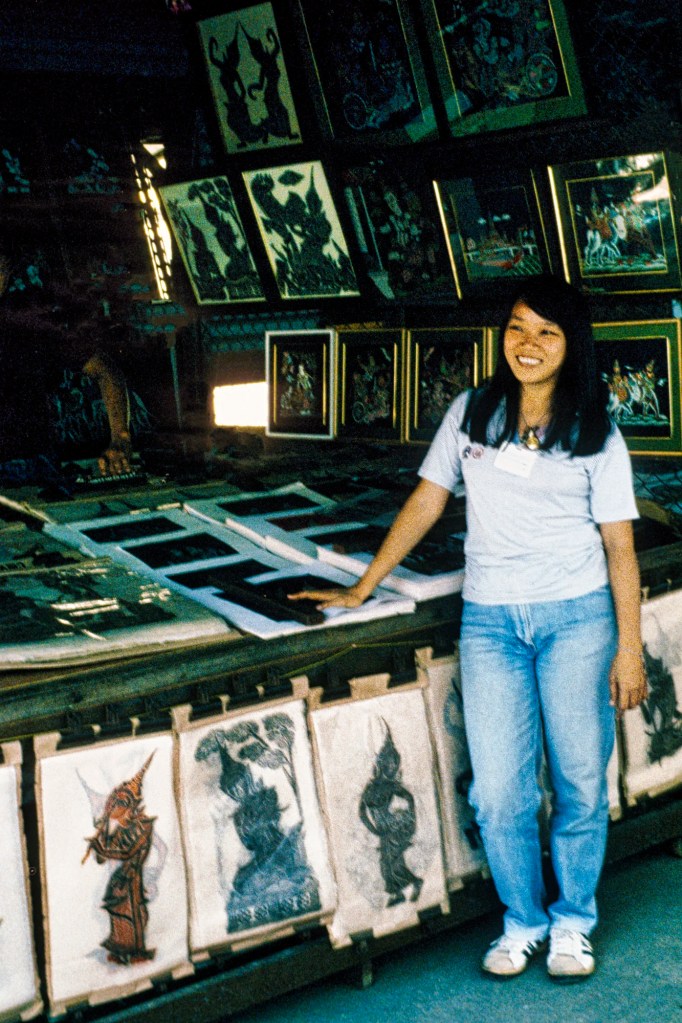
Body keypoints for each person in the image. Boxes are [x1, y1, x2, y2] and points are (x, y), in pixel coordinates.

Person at [290, 275, 648, 982]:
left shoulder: (598, 430)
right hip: (490, 624)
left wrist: (628, 647)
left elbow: (619, 548)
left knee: (578, 779)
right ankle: (524, 920)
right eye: (518, 328)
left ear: (571, 343)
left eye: (547, 331)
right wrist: (365, 584)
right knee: (498, 790)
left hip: (577, 619)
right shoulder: (472, 411)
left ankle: (574, 918)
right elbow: (428, 498)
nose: (529, 344)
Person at [0, 258, 133, 483]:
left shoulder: (28, 326)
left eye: (0, 269)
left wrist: (120, 439)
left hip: (33, 470)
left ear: (8, 273)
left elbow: (105, 369)